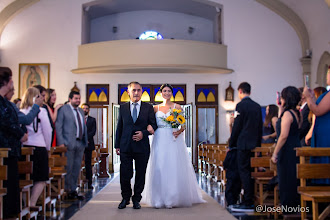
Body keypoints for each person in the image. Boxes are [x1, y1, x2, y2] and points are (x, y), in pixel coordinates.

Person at [142, 83, 205, 208]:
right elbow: (150, 123)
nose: (166, 93)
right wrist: (149, 128)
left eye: (169, 91)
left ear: (172, 93)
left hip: (173, 138)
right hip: (159, 137)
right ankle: (158, 198)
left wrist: (179, 131)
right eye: (164, 91)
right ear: (161, 93)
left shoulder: (178, 107)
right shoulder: (155, 108)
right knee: (159, 165)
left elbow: (183, 125)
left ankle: (173, 197)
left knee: (173, 165)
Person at [115, 82, 157, 209]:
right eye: (134, 90)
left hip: (142, 147)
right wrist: (117, 145)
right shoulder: (122, 108)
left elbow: (153, 125)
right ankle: (125, 198)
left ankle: (137, 199)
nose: (136, 93)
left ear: (142, 91)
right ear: (128, 91)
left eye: (139, 90)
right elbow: (119, 127)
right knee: (125, 173)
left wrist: (143, 134)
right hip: (126, 146)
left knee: (140, 173)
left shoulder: (148, 107)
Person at [228, 82, 263, 212]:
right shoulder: (257, 106)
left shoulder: (240, 105)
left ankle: (247, 201)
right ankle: (250, 199)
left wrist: (231, 144)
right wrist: (258, 147)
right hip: (254, 145)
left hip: (242, 144)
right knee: (250, 172)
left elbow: (237, 126)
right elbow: (259, 128)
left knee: (244, 172)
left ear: (240, 91)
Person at [0, 67, 28, 218]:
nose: (12, 82)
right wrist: (21, 134)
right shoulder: (1, 103)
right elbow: (6, 122)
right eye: (11, 79)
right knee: (8, 189)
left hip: (10, 150)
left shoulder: (5, 102)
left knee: (12, 189)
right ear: (5, 81)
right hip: (4, 149)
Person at [20, 87, 52, 207]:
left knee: (25, 178)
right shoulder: (42, 111)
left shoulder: (21, 111)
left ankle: (25, 203)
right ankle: (32, 202)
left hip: (24, 148)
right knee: (41, 178)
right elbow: (47, 131)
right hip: (39, 147)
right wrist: (48, 148)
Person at [271, 86, 302, 209]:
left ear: (286, 98)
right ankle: (293, 206)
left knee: (286, 180)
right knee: (291, 179)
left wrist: (275, 153)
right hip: (294, 148)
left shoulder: (288, 114)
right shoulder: (296, 113)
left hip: (287, 150)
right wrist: (280, 107)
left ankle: (288, 207)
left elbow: (283, 136)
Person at [56, 91, 88, 200]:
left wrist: (85, 140)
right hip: (68, 142)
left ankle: (74, 190)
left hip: (80, 143)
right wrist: (60, 142)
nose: (78, 100)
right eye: (76, 98)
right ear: (70, 99)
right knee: (68, 167)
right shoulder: (63, 109)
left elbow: (83, 125)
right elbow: (58, 125)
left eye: (79, 98)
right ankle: (67, 190)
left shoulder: (80, 110)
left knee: (76, 168)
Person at [303, 67, 330, 185]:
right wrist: (312, 98)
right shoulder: (326, 94)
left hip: (326, 135)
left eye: (329, 72)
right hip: (322, 133)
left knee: (324, 162)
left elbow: (318, 111)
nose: (327, 75)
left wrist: (308, 98)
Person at [81, 103, 96, 189]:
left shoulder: (92, 120)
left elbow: (93, 131)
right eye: (83, 108)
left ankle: (89, 182)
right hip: (80, 144)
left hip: (89, 143)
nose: (85, 110)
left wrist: (86, 138)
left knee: (88, 164)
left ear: (89, 110)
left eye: (86, 108)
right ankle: (79, 182)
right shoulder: (78, 119)